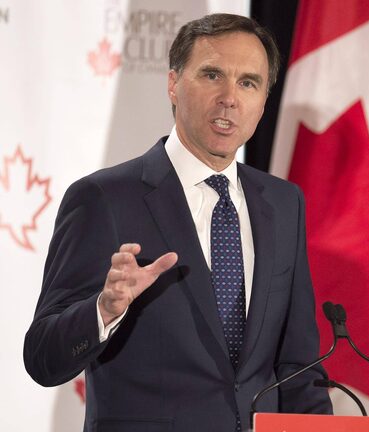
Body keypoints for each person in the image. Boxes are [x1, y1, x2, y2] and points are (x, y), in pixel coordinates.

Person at [24, 13, 332, 432]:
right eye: (212, 75)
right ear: (173, 83)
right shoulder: (103, 198)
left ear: (263, 102)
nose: (229, 98)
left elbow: (299, 366)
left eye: (248, 83)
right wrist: (104, 310)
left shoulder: (283, 203)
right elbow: (42, 358)